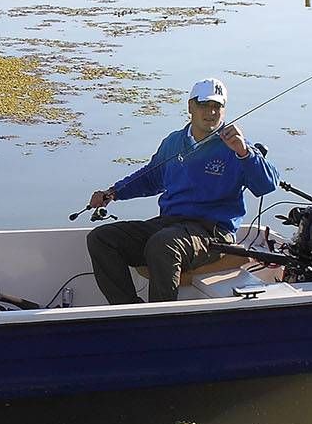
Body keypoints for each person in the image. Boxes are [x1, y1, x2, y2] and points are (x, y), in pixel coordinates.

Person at [83, 77, 278, 304]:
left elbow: (266, 185)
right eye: (204, 105)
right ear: (190, 107)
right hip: (169, 223)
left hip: (212, 231)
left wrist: (245, 153)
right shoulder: (174, 142)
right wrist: (113, 192)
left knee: (163, 244)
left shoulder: (235, 144)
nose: (211, 112)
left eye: (217, 106)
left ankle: (160, 320)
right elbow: (151, 177)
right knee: (102, 238)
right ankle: (128, 310)